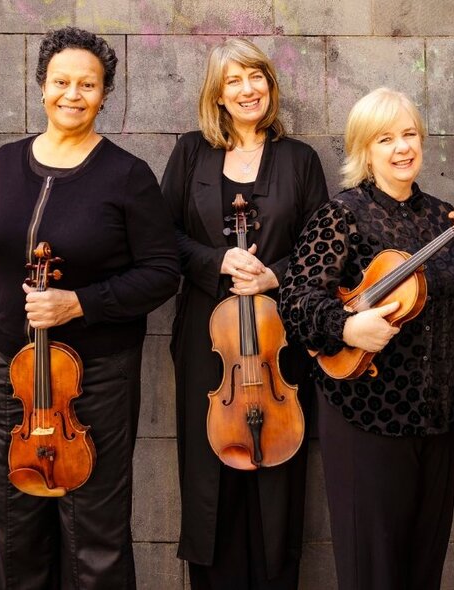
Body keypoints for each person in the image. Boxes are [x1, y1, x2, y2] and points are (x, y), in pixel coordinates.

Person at [0, 27, 180, 589]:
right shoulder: (6, 162)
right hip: (12, 372)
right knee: (16, 526)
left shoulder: (127, 175)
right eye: (61, 81)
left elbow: (163, 272)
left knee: (96, 530)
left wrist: (79, 304)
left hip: (97, 377)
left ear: (105, 95)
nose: (73, 93)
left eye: (88, 84)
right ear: (42, 86)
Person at [278, 87, 454, 590]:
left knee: (423, 569)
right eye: (385, 138)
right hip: (367, 410)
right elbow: (296, 301)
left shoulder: (445, 218)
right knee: (375, 572)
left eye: (409, 134)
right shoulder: (342, 214)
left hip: (435, 417)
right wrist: (346, 326)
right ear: (364, 149)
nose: (401, 147)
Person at [160, 38, 328, 589]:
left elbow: (322, 249)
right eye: (233, 80)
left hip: (280, 343)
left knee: (278, 474)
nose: (247, 89)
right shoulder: (191, 153)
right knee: (210, 475)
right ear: (218, 94)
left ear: (270, 86)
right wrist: (216, 261)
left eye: (255, 76)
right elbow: (163, 239)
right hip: (210, 343)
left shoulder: (300, 159)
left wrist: (273, 274)